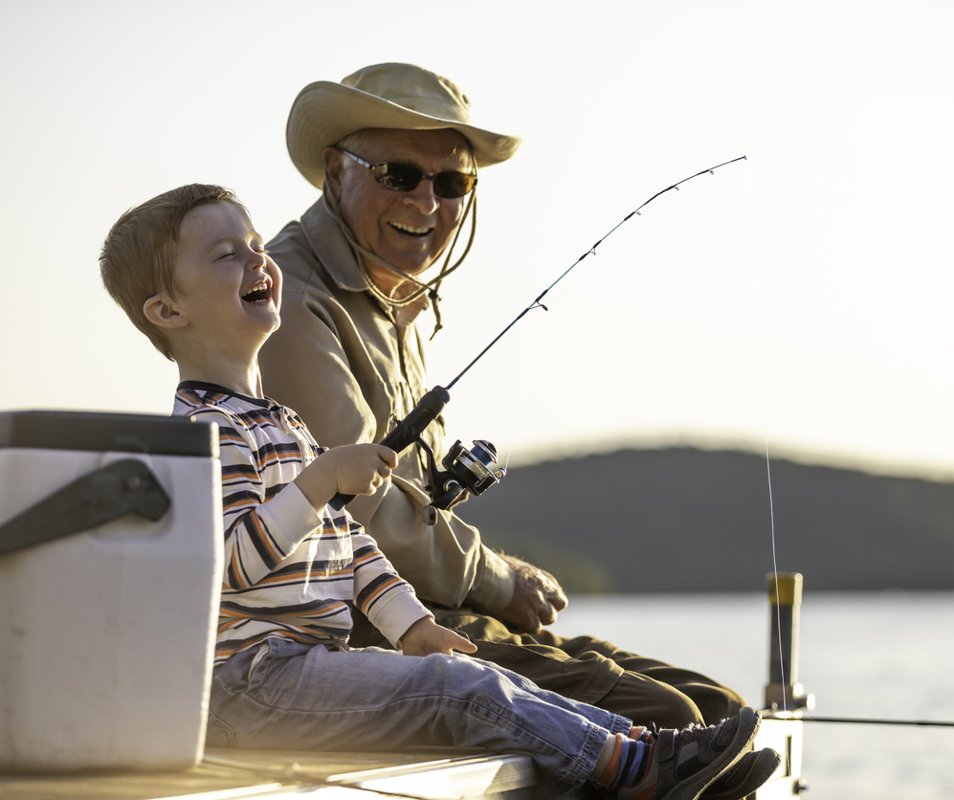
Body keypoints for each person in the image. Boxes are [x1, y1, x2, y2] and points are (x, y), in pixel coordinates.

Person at [97, 183, 779, 800]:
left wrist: (412, 627)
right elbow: (232, 564)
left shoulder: (280, 422)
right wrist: (318, 480)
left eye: (254, 245)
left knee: (494, 677)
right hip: (248, 690)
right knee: (462, 688)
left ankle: (641, 752)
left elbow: (353, 547)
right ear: (166, 309)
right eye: (226, 254)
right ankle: (632, 770)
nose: (257, 260)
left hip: (303, 668)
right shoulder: (203, 434)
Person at [257, 62, 747, 729]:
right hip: (353, 634)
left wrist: (493, 586)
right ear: (334, 169)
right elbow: (360, 518)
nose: (427, 203)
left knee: (723, 709)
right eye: (398, 174)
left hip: (434, 618)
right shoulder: (290, 293)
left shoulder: (394, 295)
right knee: (671, 718)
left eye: (453, 182)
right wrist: (499, 580)